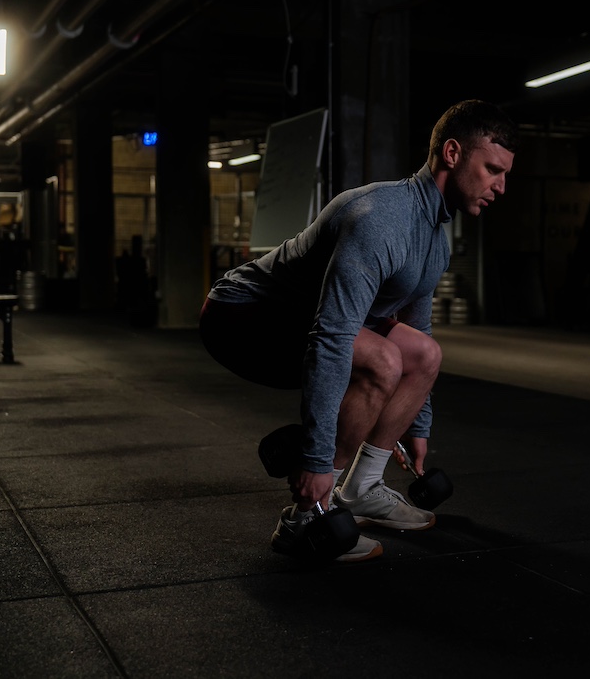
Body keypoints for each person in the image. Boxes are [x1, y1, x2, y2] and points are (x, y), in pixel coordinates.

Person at [199, 99, 519, 562]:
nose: (501, 186)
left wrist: (416, 425)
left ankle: (362, 488)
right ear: (452, 153)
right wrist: (313, 458)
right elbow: (331, 340)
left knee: (424, 354)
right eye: (493, 169)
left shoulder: (434, 240)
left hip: (304, 319)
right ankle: (305, 517)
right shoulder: (381, 220)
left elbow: (419, 332)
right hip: (242, 316)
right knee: (381, 361)